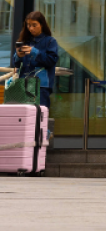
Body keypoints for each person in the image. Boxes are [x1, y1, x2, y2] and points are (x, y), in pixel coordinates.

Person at [12, 11, 59, 139]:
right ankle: (35, 141)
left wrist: (34, 52)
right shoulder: (25, 40)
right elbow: (15, 64)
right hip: (24, 83)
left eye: (34, 25)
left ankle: (44, 136)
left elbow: (51, 60)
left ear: (42, 25)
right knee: (25, 116)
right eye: (28, 25)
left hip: (41, 84)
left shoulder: (50, 41)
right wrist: (18, 56)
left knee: (40, 115)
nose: (31, 28)